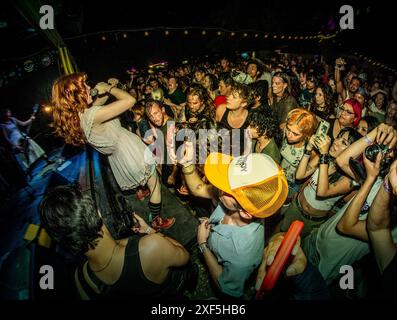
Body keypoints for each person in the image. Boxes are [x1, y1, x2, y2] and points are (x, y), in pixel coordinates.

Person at [48, 73, 174, 230]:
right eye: (84, 87)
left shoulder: (80, 117)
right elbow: (130, 101)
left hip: (121, 156)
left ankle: (142, 192)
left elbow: (98, 106)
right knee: (155, 183)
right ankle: (157, 220)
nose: (89, 87)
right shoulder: (90, 116)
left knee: (145, 180)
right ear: (75, 94)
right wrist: (110, 88)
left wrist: (105, 90)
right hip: (131, 153)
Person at [172, 145, 288, 298]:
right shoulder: (240, 201)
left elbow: (226, 287)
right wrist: (187, 164)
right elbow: (199, 188)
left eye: (226, 187)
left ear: (246, 213)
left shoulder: (242, 256)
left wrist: (202, 245)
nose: (219, 186)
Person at [39, 185, 191, 299]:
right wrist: (150, 231)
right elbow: (184, 256)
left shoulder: (81, 281)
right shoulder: (152, 246)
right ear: (97, 212)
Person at [280, 128, 362, 237]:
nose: (336, 142)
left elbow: (322, 192)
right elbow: (300, 175)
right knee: (279, 237)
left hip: (311, 221)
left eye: (344, 143)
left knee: (292, 250)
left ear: (353, 152)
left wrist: (323, 154)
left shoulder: (350, 179)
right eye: (338, 137)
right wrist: (308, 149)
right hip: (296, 207)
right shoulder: (324, 157)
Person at [0, 107, 50, 172]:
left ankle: (47, 160)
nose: (10, 113)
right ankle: (29, 173)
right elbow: (6, 138)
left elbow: (23, 124)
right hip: (15, 142)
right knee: (25, 157)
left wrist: (30, 119)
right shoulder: (2, 125)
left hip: (22, 137)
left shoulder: (13, 119)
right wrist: (15, 146)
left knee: (34, 147)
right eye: (8, 112)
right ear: (5, 114)